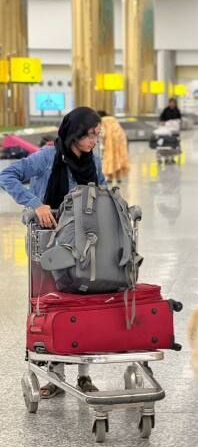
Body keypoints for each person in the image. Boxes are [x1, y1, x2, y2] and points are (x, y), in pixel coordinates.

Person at [0, 107, 106, 398]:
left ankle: (84, 374)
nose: (94, 141)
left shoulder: (92, 161)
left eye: (97, 135)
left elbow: (103, 193)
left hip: (82, 243)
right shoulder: (47, 157)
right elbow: (7, 175)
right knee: (52, 304)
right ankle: (54, 374)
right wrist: (36, 203)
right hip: (47, 242)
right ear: (76, 133)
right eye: (91, 135)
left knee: (83, 302)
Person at [97, 110, 129, 184]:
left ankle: (110, 177)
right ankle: (118, 177)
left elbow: (103, 132)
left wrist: (101, 141)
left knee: (110, 157)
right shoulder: (113, 119)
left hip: (110, 141)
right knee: (118, 156)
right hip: (120, 139)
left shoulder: (102, 120)